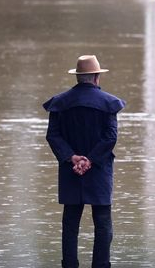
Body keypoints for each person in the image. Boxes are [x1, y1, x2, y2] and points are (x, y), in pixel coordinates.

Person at [43, 55, 126, 268]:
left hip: (70, 168)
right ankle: (101, 264)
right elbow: (110, 137)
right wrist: (90, 159)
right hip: (99, 169)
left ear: (78, 78)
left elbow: (53, 136)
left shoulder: (60, 103)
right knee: (103, 223)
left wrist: (72, 157)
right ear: (97, 77)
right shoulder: (108, 103)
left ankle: (69, 265)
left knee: (70, 223)